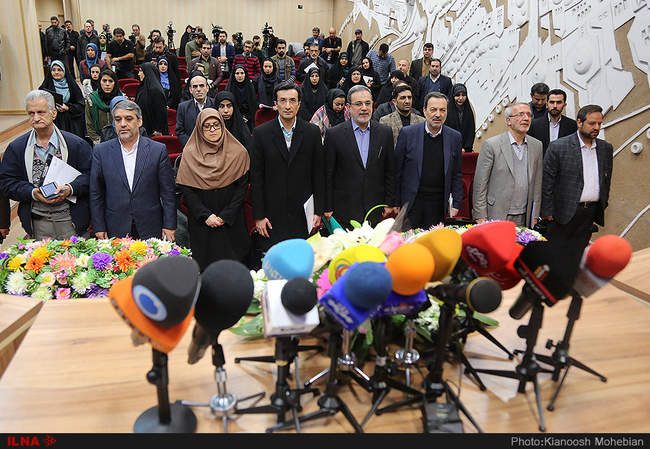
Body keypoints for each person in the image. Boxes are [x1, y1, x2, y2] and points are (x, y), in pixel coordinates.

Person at [0, 90, 91, 240]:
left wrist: (70, 188)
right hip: (37, 220)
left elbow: (91, 176)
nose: (36, 118)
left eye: (41, 112)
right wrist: (32, 192)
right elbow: (6, 182)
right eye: (31, 113)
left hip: (71, 218)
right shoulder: (17, 148)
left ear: (54, 113)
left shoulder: (76, 145)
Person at [250, 82, 325, 250]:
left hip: (304, 212)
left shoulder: (312, 132)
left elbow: (318, 174)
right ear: (275, 104)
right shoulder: (261, 133)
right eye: (282, 101)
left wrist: (318, 211)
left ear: (299, 104)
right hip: (272, 213)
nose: (288, 106)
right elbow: (256, 178)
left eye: (292, 100)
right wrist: (259, 216)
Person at [90, 100, 176, 240]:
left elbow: (168, 193)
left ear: (139, 121)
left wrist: (169, 224)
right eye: (118, 120)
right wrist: (99, 227)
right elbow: (96, 193)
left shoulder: (157, 150)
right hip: (115, 226)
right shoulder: (101, 151)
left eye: (128, 119)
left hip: (151, 225)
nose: (123, 124)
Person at [176, 109, 251, 270]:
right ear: (199, 129)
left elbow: (242, 188)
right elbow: (187, 191)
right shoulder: (189, 154)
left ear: (223, 126)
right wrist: (206, 215)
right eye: (207, 126)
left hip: (232, 222)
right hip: (203, 224)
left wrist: (226, 215)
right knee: (206, 270)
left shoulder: (238, 152)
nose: (212, 130)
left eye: (216, 125)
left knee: (234, 269)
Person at [324, 85, 397, 229]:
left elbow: (390, 171)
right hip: (344, 209)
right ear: (348, 107)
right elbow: (328, 174)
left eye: (367, 103)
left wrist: (389, 202)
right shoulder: (334, 135)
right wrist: (327, 206)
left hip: (376, 209)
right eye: (358, 104)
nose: (364, 108)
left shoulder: (385, 133)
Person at [541, 104, 613, 250]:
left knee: (578, 253)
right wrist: (547, 212)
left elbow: (606, 179)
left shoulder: (605, 148)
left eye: (599, 123)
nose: (597, 127)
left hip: (590, 213)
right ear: (579, 122)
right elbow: (547, 181)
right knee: (556, 253)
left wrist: (603, 203)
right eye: (592, 123)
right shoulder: (559, 147)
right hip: (563, 213)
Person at [394, 92, 463, 229]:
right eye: (433, 110)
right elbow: (397, 171)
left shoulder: (454, 137)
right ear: (424, 111)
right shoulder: (408, 134)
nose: (438, 114)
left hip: (439, 204)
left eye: (442, 110)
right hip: (412, 203)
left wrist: (456, 203)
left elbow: (456, 173)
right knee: (411, 241)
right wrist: (396, 202)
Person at [472, 102, 543, 227]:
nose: (526, 118)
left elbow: (537, 182)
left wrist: (535, 214)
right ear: (508, 120)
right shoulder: (491, 145)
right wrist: (480, 215)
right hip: (497, 212)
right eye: (521, 114)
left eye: (529, 115)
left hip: (525, 215)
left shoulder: (536, 145)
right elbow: (480, 184)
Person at [39, 60, 85, 138]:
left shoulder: (72, 85)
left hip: (71, 122)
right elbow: (40, 104)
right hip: (53, 121)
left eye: (59, 70)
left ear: (64, 71)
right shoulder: (46, 86)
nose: (56, 72)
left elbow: (81, 104)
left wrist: (68, 107)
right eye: (53, 70)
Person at [527, 88, 577, 155]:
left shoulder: (572, 125)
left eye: (559, 102)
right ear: (547, 104)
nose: (555, 106)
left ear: (564, 105)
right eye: (552, 102)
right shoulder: (534, 125)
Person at [176, 74, 216, 146]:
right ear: (190, 90)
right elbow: (180, 131)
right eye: (195, 86)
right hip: (191, 147)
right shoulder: (182, 107)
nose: (198, 89)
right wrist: (192, 145)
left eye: (201, 86)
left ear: (207, 88)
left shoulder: (216, 104)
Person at [85, 69, 122, 145]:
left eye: (110, 81)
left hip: (120, 140)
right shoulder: (92, 99)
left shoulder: (121, 100)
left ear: (115, 83)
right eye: (104, 81)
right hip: (99, 141)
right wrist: (98, 141)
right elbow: (89, 124)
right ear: (100, 82)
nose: (107, 84)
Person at [135, 62, 169, 136]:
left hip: (153, 132)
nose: (138, 74)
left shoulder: (156, 90)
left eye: (141, 71)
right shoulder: (142, 87)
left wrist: (158, 130)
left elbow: (160, 114)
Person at [225, 65, 258, 132]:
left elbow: (253, 105)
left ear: (245, 74)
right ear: (234, 75)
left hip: (248, 120)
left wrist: (247, 117)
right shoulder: (230, 88)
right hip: (233, 119)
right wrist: (239, 117)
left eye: (242, 73)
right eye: (237, 73)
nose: (240, 76)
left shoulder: (250, 87)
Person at [444, 83, 476, 152]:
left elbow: (471, 132)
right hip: (450, 149)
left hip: (466, 150)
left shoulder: (468, 111)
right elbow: (446, 131)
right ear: (453, 96)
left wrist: (465, 148)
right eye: (457, 95)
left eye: (463, 95)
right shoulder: (447, 112)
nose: (460, 98)